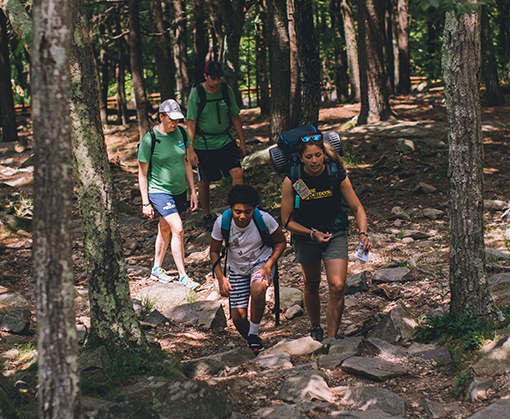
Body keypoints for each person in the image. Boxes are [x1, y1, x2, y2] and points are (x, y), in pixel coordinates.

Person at [280, 133, 371, 341]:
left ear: (324, 155)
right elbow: (286, 220)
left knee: (337, 285)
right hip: (306, 235)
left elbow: (358, 208)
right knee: (311, 283)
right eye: (309, 157)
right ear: (301, 158)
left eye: (318, 155)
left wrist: (363, 232)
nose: (314, 161)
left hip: (335, 232)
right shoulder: (293, 179)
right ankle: (315, 327)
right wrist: (312, 233)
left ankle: (331, 338)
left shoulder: (335, 174)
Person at [210, 184, 286, 354]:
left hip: (262, 262)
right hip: (237, 269)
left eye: (248, 211)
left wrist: (269, 264)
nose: (243, 216)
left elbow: (281, 242)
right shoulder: (222, 222)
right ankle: (254, 342)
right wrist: (221, 278)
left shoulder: (264, 219)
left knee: (258, 289)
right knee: (238, 318)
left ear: (254, 209)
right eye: (238, 212)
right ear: (231, 209)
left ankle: (253, 334)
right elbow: (214, 251)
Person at [137, 99, 200, 289]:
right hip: (159, 191)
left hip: (179, 191)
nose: (175, 123)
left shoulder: (181, 133)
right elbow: (142, 173)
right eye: (171, 119)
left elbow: (187, 162)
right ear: (161, 116)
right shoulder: (150, 139)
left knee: (164, 228)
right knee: (178, 228)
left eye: (177, 119)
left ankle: (156, 268)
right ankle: (183, 275)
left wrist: (193, 191)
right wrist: (145, 202)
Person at [186, 60, 247, 232]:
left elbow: (235, 116)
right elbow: (191, 123)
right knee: (205, 181)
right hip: (203, 144)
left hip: (225, 140)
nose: (216, 81)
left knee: (238, 173)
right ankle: (207, 215)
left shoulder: (226, 91)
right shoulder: (196, 94)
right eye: (213, 78)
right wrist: (190, 150)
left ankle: (236, 211)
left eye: (218, 78)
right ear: (205, 76)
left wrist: (242, 141)